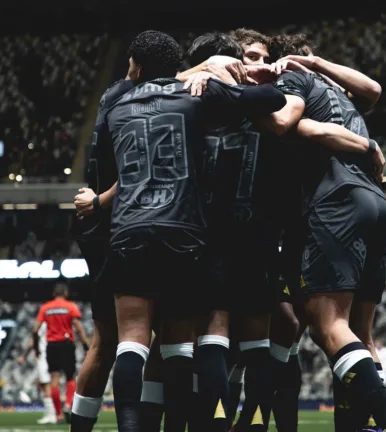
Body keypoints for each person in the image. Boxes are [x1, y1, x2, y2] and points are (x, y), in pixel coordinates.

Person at [94, 30, 286, 432]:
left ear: (138, 67)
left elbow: (121, 93)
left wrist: (192, 70)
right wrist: (212, 74)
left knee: (131, 341)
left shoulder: (115, 100)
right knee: (180, 344)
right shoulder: (195, 95)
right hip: (186, 229)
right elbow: (273, 99)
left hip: (128, 226)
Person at [260, 34, 386, 432]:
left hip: (337, 201)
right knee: (359, 334)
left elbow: (291, 123)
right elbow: (374, 90)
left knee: (325, 324)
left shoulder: (291, 82)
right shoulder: (339, 94)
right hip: (375, 202)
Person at [69, 73, 137, 431]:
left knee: (107, 340)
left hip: (100, 227)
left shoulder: (113, 96)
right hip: (124, 225)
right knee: (162, 337)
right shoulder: (148, 104)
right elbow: (138, 170)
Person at [32, 284, 92, 424]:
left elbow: (35, 330)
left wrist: (36, 347)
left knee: (54, 379)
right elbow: (78, 327)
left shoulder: (45, 308)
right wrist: (85, 345)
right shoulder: (70, 306)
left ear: (53, 293)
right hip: (66, 344)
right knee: (70, 377)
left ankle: (58, 415)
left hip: (51, 345)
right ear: (65, 293)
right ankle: (68, 405)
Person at [17, 322, 55, 424]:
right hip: (53, 355)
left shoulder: (43, 324)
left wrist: (23, 356)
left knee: (45, 385)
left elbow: (33, 341)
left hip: (44, 357)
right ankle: (53, 412)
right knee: (45, 384)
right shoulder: (53, 323)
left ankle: (52, 415)